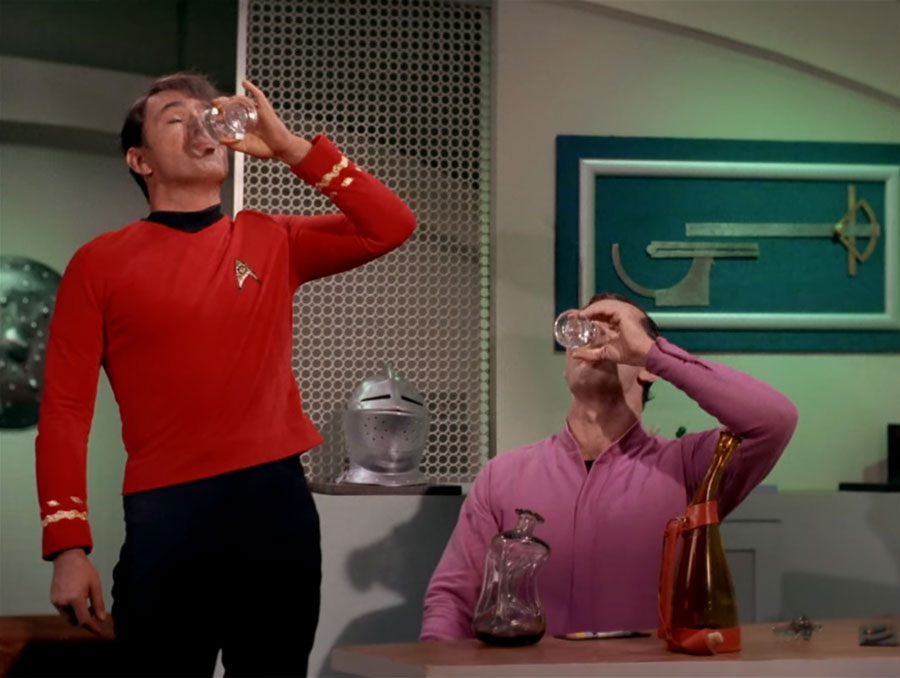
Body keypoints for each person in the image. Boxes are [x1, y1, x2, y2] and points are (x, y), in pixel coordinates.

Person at [35, 72, 416, 676]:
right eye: (175, 118)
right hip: (167, 517)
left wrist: (291, 148)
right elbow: (64, 411)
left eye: (207, 115)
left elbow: (391, 225)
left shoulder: (271, 238)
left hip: (277, 511)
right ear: (140, 160)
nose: (201, 125)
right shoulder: (99, 264)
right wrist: (68, 545)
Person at [421, 293, 798, 640]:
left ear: (648, 369)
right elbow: (452, 601)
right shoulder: (502, 476)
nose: (597, 341)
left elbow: (774, 421)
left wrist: (653, 353)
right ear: (566, 366)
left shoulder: (688, 466)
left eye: (616, 330)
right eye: (585, 328)